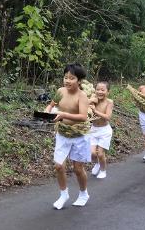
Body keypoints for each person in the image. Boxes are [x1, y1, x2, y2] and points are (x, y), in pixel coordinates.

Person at [45, 64, 90, 209]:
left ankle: (83, 193)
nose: (67, 81)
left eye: (72, 78)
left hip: (79, 135)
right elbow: (52, 105)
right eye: (66, 77)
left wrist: (63, 114)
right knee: (58, 166)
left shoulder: (82, 96)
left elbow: (83, 116)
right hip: (63, 133)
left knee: (78, 168)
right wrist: (46, 111)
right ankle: (63, 194)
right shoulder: (60, 91)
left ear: (79, 81)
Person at [89, 81, 114, 179]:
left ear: (108, 92)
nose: (100, 92)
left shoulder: (109, 102)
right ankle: (97, 164)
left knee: (100, 153)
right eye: (98, 89)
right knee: (92, 154)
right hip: (93, 130)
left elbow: (108, 117)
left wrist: (95, 111)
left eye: (103, 90)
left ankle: (103, 170)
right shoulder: (92, 100)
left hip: (104, 131)